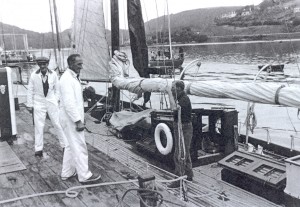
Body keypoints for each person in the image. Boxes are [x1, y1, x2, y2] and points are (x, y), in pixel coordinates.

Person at [59, 54, 101, 183]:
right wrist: (78, 121)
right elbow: (69, 103)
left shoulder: (72, 77)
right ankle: (84, 175)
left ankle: (67, 172)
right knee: (79, 145)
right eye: (79, 64)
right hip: (71, 119)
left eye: (81, 64)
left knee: (70, 146)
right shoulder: (66, 79)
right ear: (70, 64)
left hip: (70, 118)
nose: (81, 67)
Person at [26, 56, 66, 157]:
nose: (43, 66)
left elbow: (58, 89)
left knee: (57, 123)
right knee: (39, 126)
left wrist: (56, 100)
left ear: (47, 64)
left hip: (51, 101)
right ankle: (38, 149)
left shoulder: (54, 75)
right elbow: (30, 90)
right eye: (40, 64)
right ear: (38, 65)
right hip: (38, 102)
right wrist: (30, 104)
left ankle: (65, 145)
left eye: (44, 64)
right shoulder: (33, 75)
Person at [168, 80, 193, 188]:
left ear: (178, 88)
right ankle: (189, 174)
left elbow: (173, 108)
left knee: (179, 154)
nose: (171, 89)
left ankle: (179, 179)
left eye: (173, 87)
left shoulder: (184, 99)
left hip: (183, 128)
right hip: (180, 126)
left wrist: (169, 94)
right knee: (185, 152)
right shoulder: (180, 98)